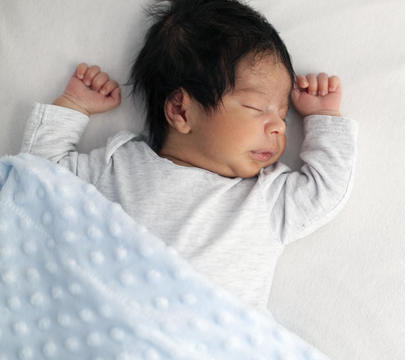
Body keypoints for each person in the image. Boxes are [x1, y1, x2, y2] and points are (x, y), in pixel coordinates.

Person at [20, 0, 357, 313]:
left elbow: (325, 190)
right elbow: (36, 180)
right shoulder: (116, 167)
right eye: (256, 108)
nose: (278, 128)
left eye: (282, 117)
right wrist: (73, 107)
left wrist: (323, 118)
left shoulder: (265, 198)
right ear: (181, 109)